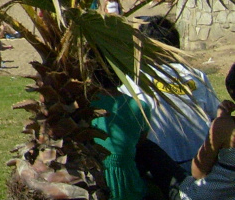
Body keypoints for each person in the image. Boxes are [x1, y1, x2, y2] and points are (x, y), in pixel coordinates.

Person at [124, 16, 219, 194]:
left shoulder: (133, 83)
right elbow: (215, 116)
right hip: (204, 166)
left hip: (161, 173)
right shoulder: (197, 76)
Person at [91, 67, 152, 200]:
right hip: (128, 177)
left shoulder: (86, 103)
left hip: (94, 175)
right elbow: (140, 141)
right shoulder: (141, 106)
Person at [177, 100, 235, 199]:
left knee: (152, 151)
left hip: (203, 194)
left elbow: (198, 173)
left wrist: (220, 121)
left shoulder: (225, 126)